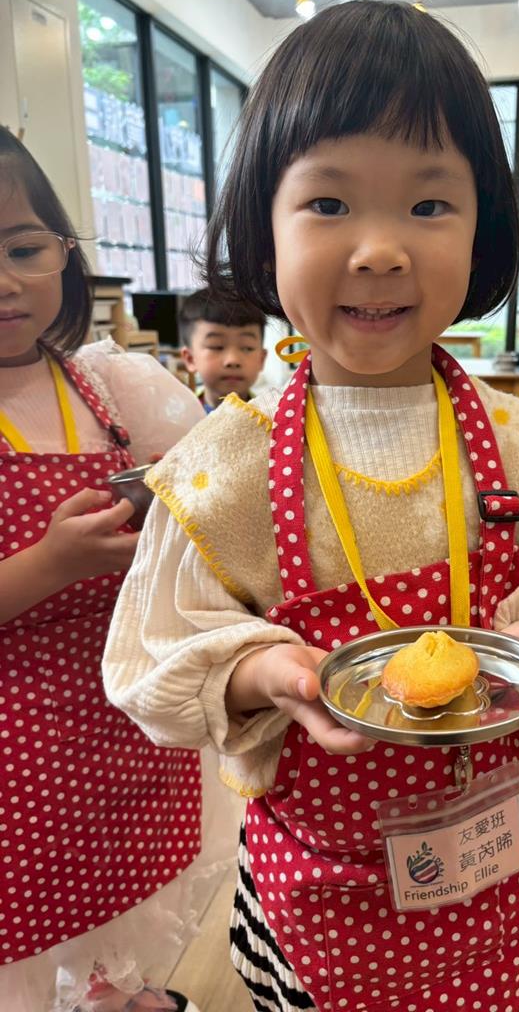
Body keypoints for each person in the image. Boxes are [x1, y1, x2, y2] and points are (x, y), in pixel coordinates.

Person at [102, 3, 519, 1012]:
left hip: (486, 884)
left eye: (427, 204)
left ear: (484, 231)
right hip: (313, 902)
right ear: (262, 227)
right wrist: (264, 672)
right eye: (327, 203)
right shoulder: (221, 471)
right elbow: (153, 665)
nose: (377, 249)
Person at [0, 127, 232, 1012]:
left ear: (65, 252)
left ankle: (114, 991)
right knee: (21, 921)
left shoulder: (112, 385)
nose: (3, 280)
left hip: (126, 710)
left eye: (23, 249)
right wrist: (50, 563)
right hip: (17, 742)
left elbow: (209, 498)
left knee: (120, 888)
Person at [179, 288, 267, 413]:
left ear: (261, 359)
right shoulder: (179, 419)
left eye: (247, 348)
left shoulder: (274, 418)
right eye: (216, 347)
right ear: (190, 359)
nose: (233, 360)